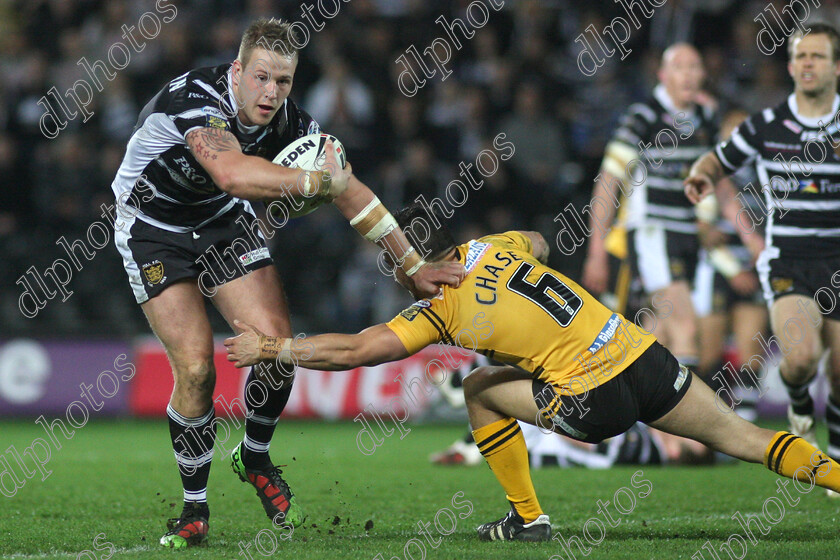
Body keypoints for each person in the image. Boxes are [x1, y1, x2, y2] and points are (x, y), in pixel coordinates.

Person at [225, 203, 840, 542]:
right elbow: (542, 241)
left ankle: (528, 518)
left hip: (593, 398)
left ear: (417, 273)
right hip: (641, 356)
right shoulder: (492, 248)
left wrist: (274, 349)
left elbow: (356, 352)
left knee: (476, 391)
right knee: (744, 439)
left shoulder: (437, 309)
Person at [110, 18, 465, 548]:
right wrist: (314, 181)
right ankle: (193, 509)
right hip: (151, 227)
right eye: (261, 78)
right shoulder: (196, 99)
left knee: (278, 347)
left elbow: (350, 191)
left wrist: (411, 266)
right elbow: (231, 173)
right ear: (237, 71)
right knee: (196, 367)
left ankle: (253, 455)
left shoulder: (289, 121)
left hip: (220, 222)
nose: (271, 92)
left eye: (283, 82)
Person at [684, 24, 840, 496]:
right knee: (802, 360)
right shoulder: (767, 124)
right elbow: (718, 158)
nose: (808, 63)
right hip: (788, 258)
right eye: (801, 56)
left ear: (836, 66)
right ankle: (798, 405)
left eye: (818, 55)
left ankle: (836, 466)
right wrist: (700, 174)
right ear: (791, 66)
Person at [582, 43, 719, 374]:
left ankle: (643, 423)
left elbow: (719, 181)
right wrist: (596, 252)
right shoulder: (642, 117)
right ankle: (689, 424)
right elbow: (607, 184)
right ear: (662, 75)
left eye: (694, 66)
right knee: (685, 328)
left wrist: (750, 236)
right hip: (651, 233)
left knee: (655, 336)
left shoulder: (704, 118)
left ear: (703, 74)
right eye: (679, 67)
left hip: (688, 239)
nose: (687, 74)